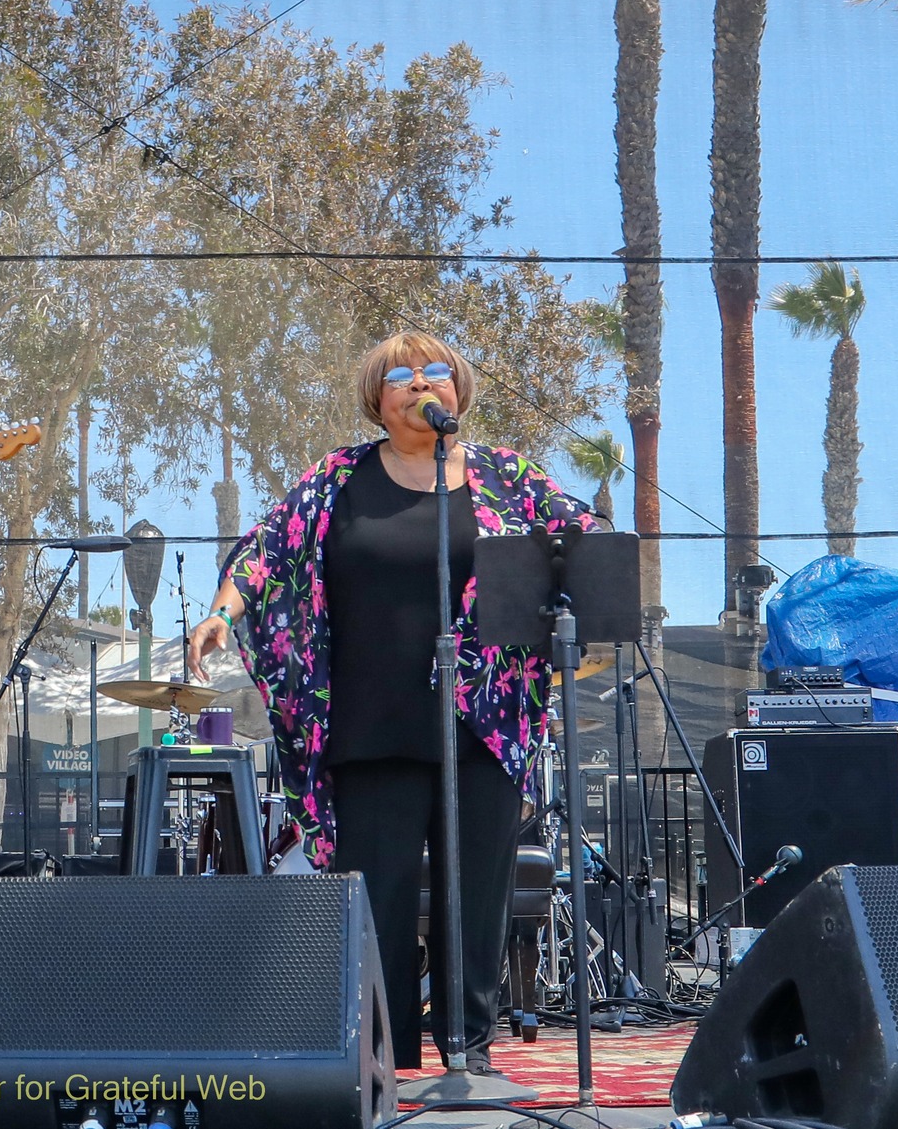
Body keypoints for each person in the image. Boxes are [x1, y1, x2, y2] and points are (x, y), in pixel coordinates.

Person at [185, 331, 599, 1072]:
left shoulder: (510, 479)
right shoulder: (337, 479)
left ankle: (470, 1052)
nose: (420, 384)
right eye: (400, 376)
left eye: (434, 373)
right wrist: (225, 609)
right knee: (378, 902)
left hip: (485, 727)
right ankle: (385, 1058)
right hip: (372, 726)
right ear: (377, 398)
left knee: (476, 900)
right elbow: (263, 548)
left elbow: (587, 543)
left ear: (458, 391)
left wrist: (590, 601)